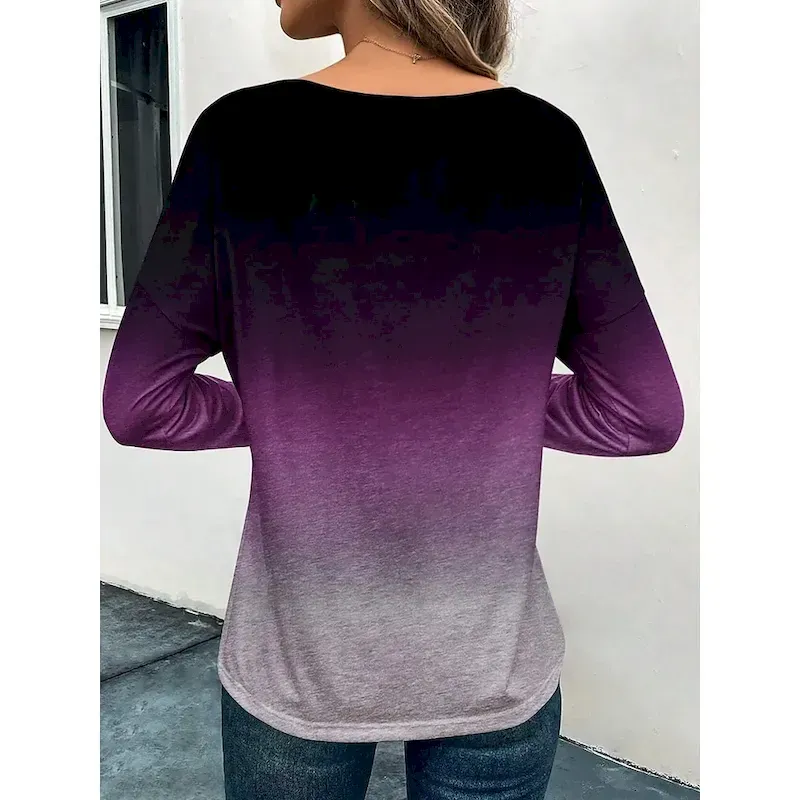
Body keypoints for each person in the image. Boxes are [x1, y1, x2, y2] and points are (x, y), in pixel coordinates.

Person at [102, 0, 685, 797]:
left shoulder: (240, 138)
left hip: (299, 668)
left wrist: (294, 408)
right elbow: (641, 410)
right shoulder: (544, 141)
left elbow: (141, 401)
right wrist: (482, 408)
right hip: (493, 667)